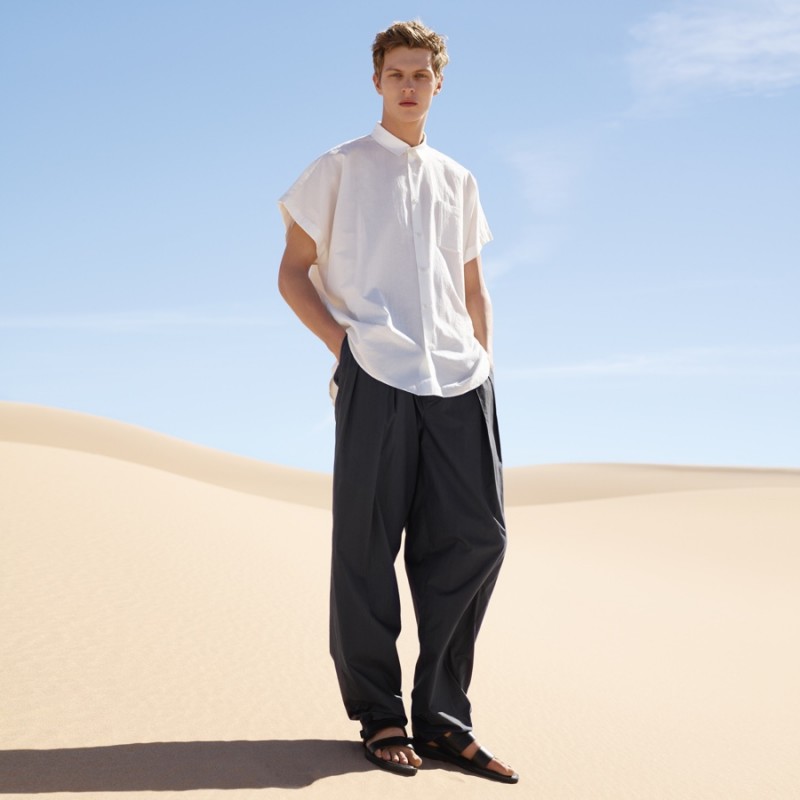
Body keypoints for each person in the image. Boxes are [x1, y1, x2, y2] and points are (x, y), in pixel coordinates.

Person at [277, 20, 517, 784]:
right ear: (377, 81)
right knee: (366, 549)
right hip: (377, 369)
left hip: (459, 377)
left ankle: (443, 718)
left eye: (421, 74)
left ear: (438, 83)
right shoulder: (339, 168)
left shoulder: (459, 179)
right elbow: (293, 271)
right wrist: (344, 350)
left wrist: (485, 363)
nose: (409, 85)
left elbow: (473, 287)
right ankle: (379, 715)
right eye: (396, 74)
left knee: (479, 537)